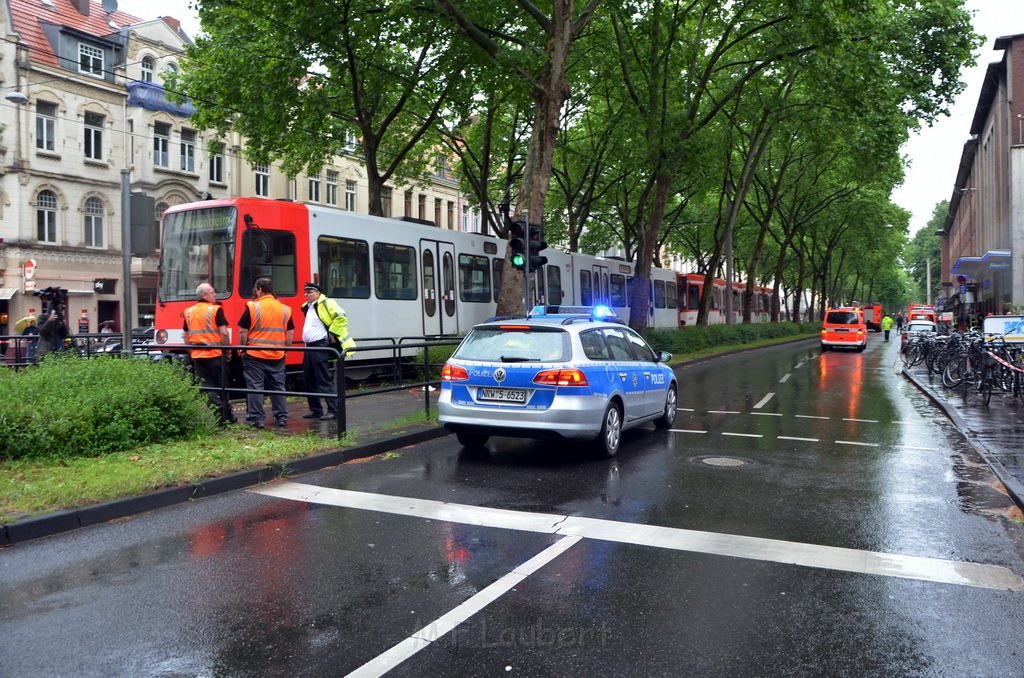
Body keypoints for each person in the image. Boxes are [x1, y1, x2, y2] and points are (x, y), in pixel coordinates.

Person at [238, 277, 294, 429]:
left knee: (256, 386)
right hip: (277, 354)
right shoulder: (285, 309)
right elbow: (290, 333)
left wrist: (242, 348)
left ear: (260, 290)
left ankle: (257, 419)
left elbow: (243, 331)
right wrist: (286, 350)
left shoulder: (252, 307)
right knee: (278, 387)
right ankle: (281, 417)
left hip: (255, 355)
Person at [299, 281, 356, 420]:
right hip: (309, 347)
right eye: (305, 292)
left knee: (323, 379)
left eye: (310, 292)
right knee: (308, 380)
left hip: (320, 346)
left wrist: (332, 331)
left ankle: (334, 410)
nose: (306, 294)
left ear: (318, 293)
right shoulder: (308, 307)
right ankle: (316, 409)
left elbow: (341, 317)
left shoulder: (327, 303)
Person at [183, 282, 236, 425]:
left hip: (198, 357)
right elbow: (224, 334)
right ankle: (227, 416)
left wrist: (191, 352)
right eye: (212, 292)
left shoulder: (188, 312)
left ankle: (219, 415)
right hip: (216, 355)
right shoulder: (216, 310)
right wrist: (228, 352)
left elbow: (186, 336)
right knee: (222, 387)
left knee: (207, 388)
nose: (215, 295)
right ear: (204, 296)